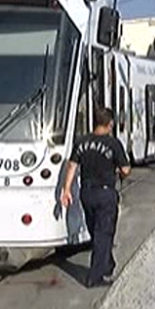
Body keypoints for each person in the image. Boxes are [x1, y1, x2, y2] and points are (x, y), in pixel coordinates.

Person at [60, 107, 131, 288]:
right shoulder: (113, 144)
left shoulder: (81, 142)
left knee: (95, 232)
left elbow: (72, 166)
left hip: (87, 194)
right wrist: (117, 169)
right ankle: (95, 277)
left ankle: (107, 265)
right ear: (110, 124)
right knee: (104, 234)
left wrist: (66, 189)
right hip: (105, 193)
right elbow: (125, 170)